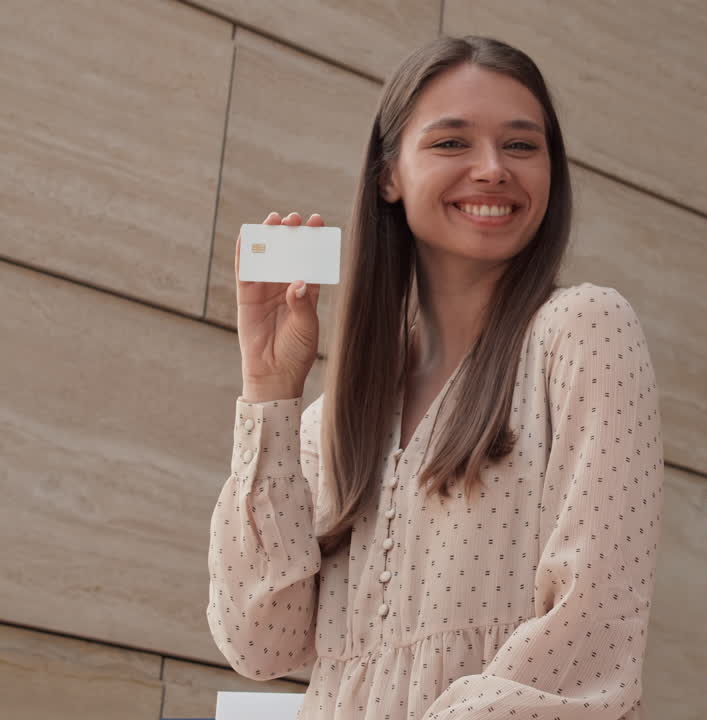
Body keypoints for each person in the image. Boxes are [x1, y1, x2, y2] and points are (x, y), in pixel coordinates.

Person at [207, 34, 665, 720]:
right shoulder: (337, 420)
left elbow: (587, 640)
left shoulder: (582, 330)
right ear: (388, 175)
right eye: (452, 143)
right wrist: (269, 391)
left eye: (521, 145)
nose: (492, 170)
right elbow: (258, 641)